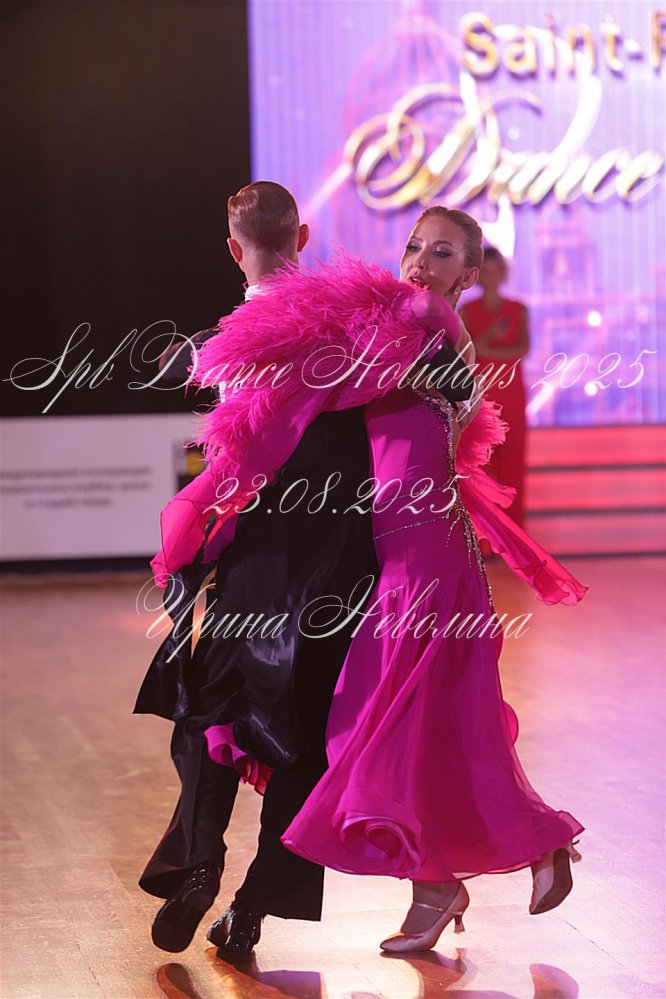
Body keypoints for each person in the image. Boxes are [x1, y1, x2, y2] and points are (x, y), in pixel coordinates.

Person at [161, 206, 586, 958]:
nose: (421, 263)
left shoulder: (423, 321)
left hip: (422, 553)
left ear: (470, 273)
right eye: (415, 246)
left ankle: (503, 852)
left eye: (443, 253)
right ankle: (439, 882)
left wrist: (243, 361)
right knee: (416, 725)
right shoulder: (399, 323)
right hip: (389, 549)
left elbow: (347, 382)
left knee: (383, 723)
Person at [134, 181, 380, 956]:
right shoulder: (355, 324)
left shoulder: (224, 344)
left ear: (233, 249)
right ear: (302, 237)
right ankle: (252, 910)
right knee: (303, 735)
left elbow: (231, 463)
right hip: (337, 557)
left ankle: (199, 860)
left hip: (256, 556)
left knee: (209, 709)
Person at [461, 246, 529, 526]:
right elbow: (464, 351)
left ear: (503, 272)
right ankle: (484, 536)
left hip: (511, 394)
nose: (491, 276)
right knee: (481, 466)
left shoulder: (518, 309)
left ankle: (514, 531)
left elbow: (523, 348)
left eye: (495, 270)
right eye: (485, 271)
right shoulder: (466, 311)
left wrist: (487, 349)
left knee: (513, 464)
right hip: (481, 395)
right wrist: (488, 340)